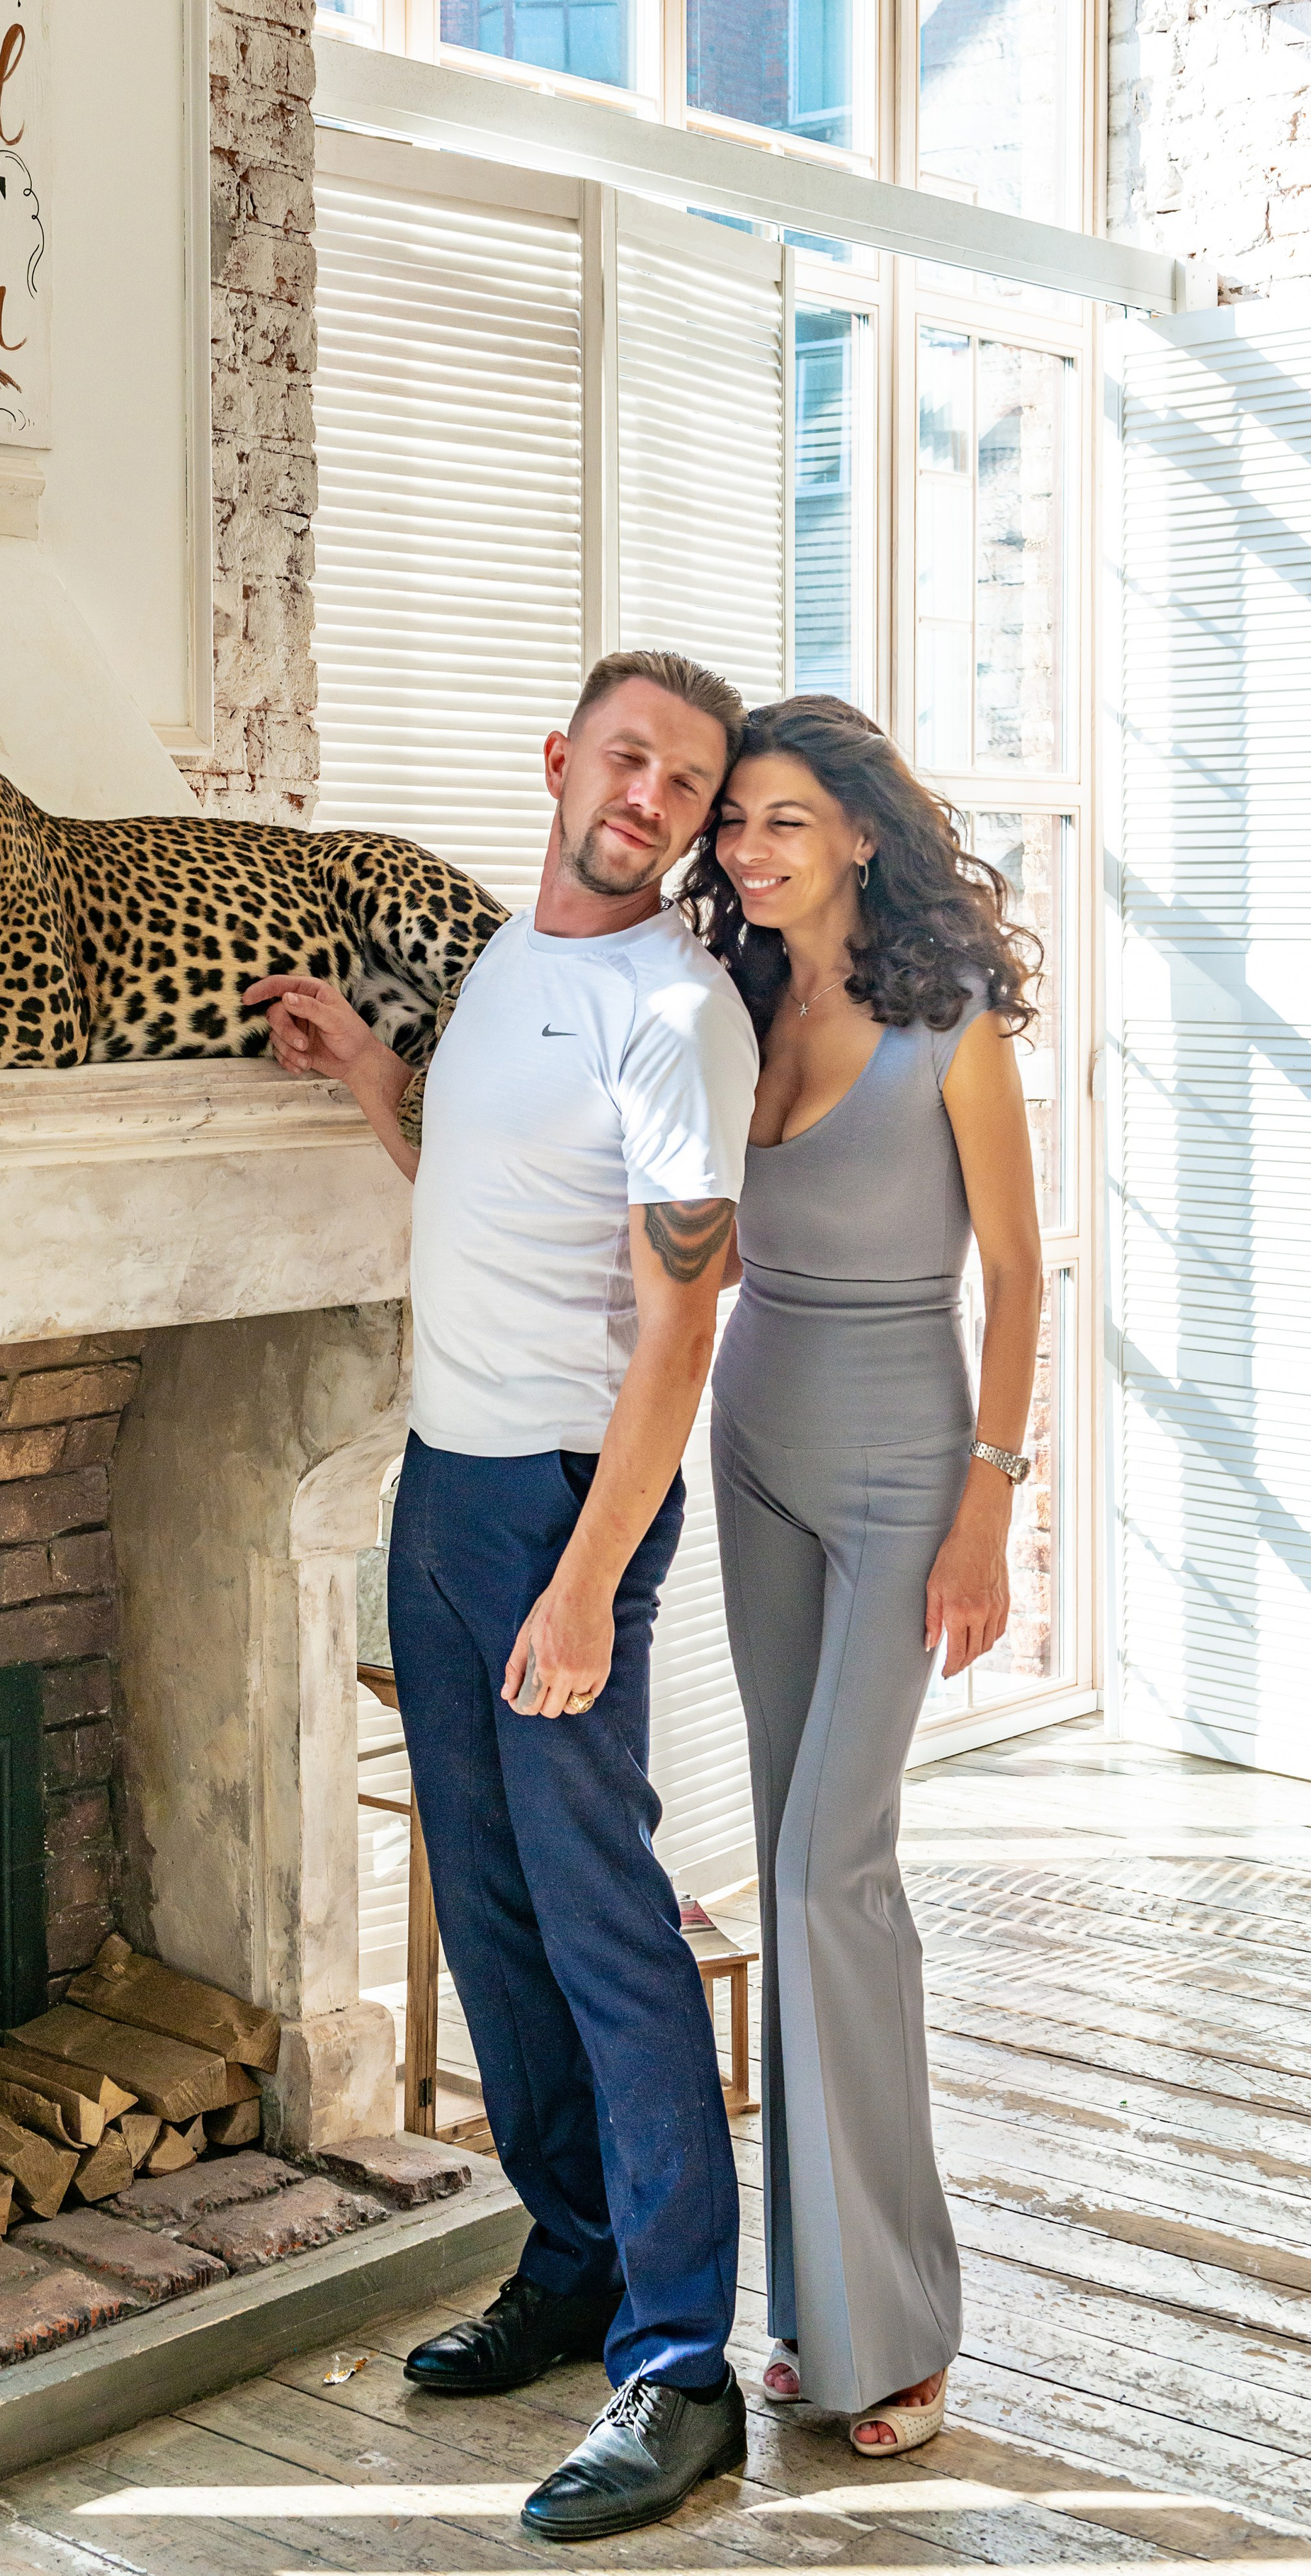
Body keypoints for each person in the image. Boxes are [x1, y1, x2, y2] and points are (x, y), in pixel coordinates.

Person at [245, 650, 759, 2543]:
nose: (651, 794)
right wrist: (383, 1074)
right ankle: (569, 2260)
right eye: (629, 756)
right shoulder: (505, 979)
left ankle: (679, 2361)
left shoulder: (673, 1009)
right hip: (441, 1491)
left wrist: (588, 1587)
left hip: (562, 1507)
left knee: (606, 1925)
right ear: (561, 763)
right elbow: (475, 1182)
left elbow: (680, 1328)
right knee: (487, 1910)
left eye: (687, 781)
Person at [702, 693, 1043, 2456]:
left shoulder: (947, 1025)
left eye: (781, 820)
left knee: (836, 1866)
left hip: (906, 1459)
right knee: (781, 1855)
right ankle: (817, 2314)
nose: (748, 850)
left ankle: (899, 2323)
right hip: (747, 1439)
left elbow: (1019, 1281)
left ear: (854, 831)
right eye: (733, 823)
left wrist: (988, 1506)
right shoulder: (733, 1001)